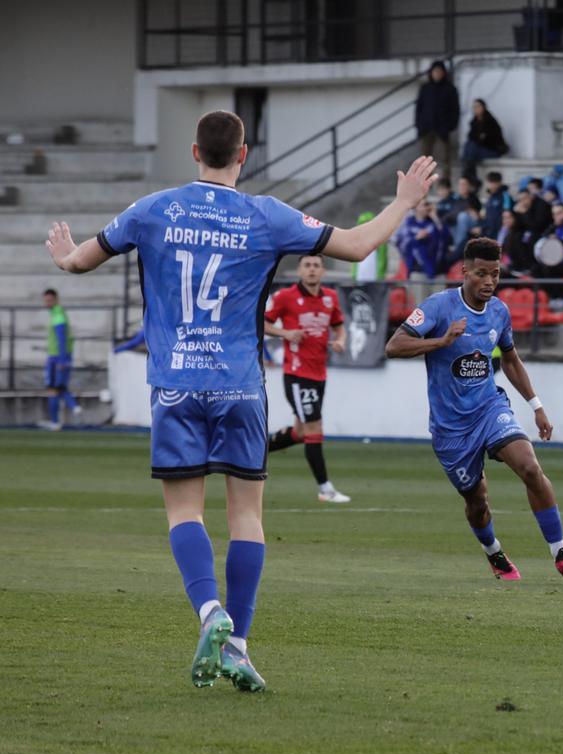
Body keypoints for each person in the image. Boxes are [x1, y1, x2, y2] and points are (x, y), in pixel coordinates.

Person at [44, 110, 437, 691]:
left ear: (194, 151)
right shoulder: (267, 215)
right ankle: (239, 646)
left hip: (175, 384)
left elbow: (80, 261)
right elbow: (355, 247)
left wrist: (63, 254)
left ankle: (210, 612)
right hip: (240, 385)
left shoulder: (153, 209)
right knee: (247, 515)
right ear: (243, 154)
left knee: (184, 512)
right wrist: (403, 201)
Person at [384, 237, 563, 580]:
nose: (490, 281)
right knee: (477, 502)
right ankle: (494, 553)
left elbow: (510, 358)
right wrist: (441, 341)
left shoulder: (499, 311)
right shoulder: (438, 306)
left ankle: (561, 552)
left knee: (530, 467)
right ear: (464, 271)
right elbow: (394, 345)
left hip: (489, 408)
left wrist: (536, 406)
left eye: (495, 274)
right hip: (451, 427)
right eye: (481, 273)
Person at [262, 255, 350, 503]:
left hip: (319, 373)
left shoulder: (330, 297)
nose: (312, 269)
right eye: (307, 265)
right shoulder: (285, 297)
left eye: (316, 266)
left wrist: (340, 341)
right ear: (299, 270)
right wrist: (286, 333)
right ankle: (325, 489)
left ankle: (251, 452)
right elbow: (263, 324)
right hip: (297, 375)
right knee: (314, 428)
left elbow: (339, 326)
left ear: (323, 271)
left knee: (301, 432)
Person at [39, 288, 79, 430]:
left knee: (54, 388)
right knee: (57, 387)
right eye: (46, 300)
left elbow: (62, 338)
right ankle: (70, 409)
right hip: (56, 356)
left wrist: (62, 360)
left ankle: (67, 412)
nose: (47, 303)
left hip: (57, 357)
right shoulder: (56, 313)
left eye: (49, 300)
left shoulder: (58, 314)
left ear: (56, 299)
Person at [415, 61, 460, 171]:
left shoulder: (450, 89)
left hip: (442, 129)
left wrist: (450, 126)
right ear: (431, 73)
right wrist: (419, 126)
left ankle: (445, 180)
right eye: (435, 71)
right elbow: (419, 108)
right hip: (426, 129)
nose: (437, 74)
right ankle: (425, 181)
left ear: (444, 73)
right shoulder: (425, 88)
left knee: (444, 157)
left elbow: (455, 109)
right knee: (424, 160)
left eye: (439, 71)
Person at [394, 200, 446, 279]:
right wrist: (416, 238)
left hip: (433, 267)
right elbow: (400, 241)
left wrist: (435, 217)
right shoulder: (408, 222)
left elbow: (444, 237)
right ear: (416, 207)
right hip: (415, 269)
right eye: (424, 205)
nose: (427, 208)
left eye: (427, 205)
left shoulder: (432, 223)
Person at [461, 99, 509, 182]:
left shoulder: (490, 122)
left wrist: (481, 139)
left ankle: (469, 176)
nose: (476, 109)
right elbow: (472, 137)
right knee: (468, 147)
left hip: (492, 150)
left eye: (478, 106)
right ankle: (470, 176)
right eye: (474, 107)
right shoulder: (474, 122)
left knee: (471, 150)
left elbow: (491, 140)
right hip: (478, 150)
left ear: (483, 107)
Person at [482, 171, 512, 239]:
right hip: (488, 231)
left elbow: (507, 214)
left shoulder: (505, 196)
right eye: (490, 182)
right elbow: (485, 215)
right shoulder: (489, 197)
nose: (492, 185)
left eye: (494, 182)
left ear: (499, 183)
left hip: (499, 232)